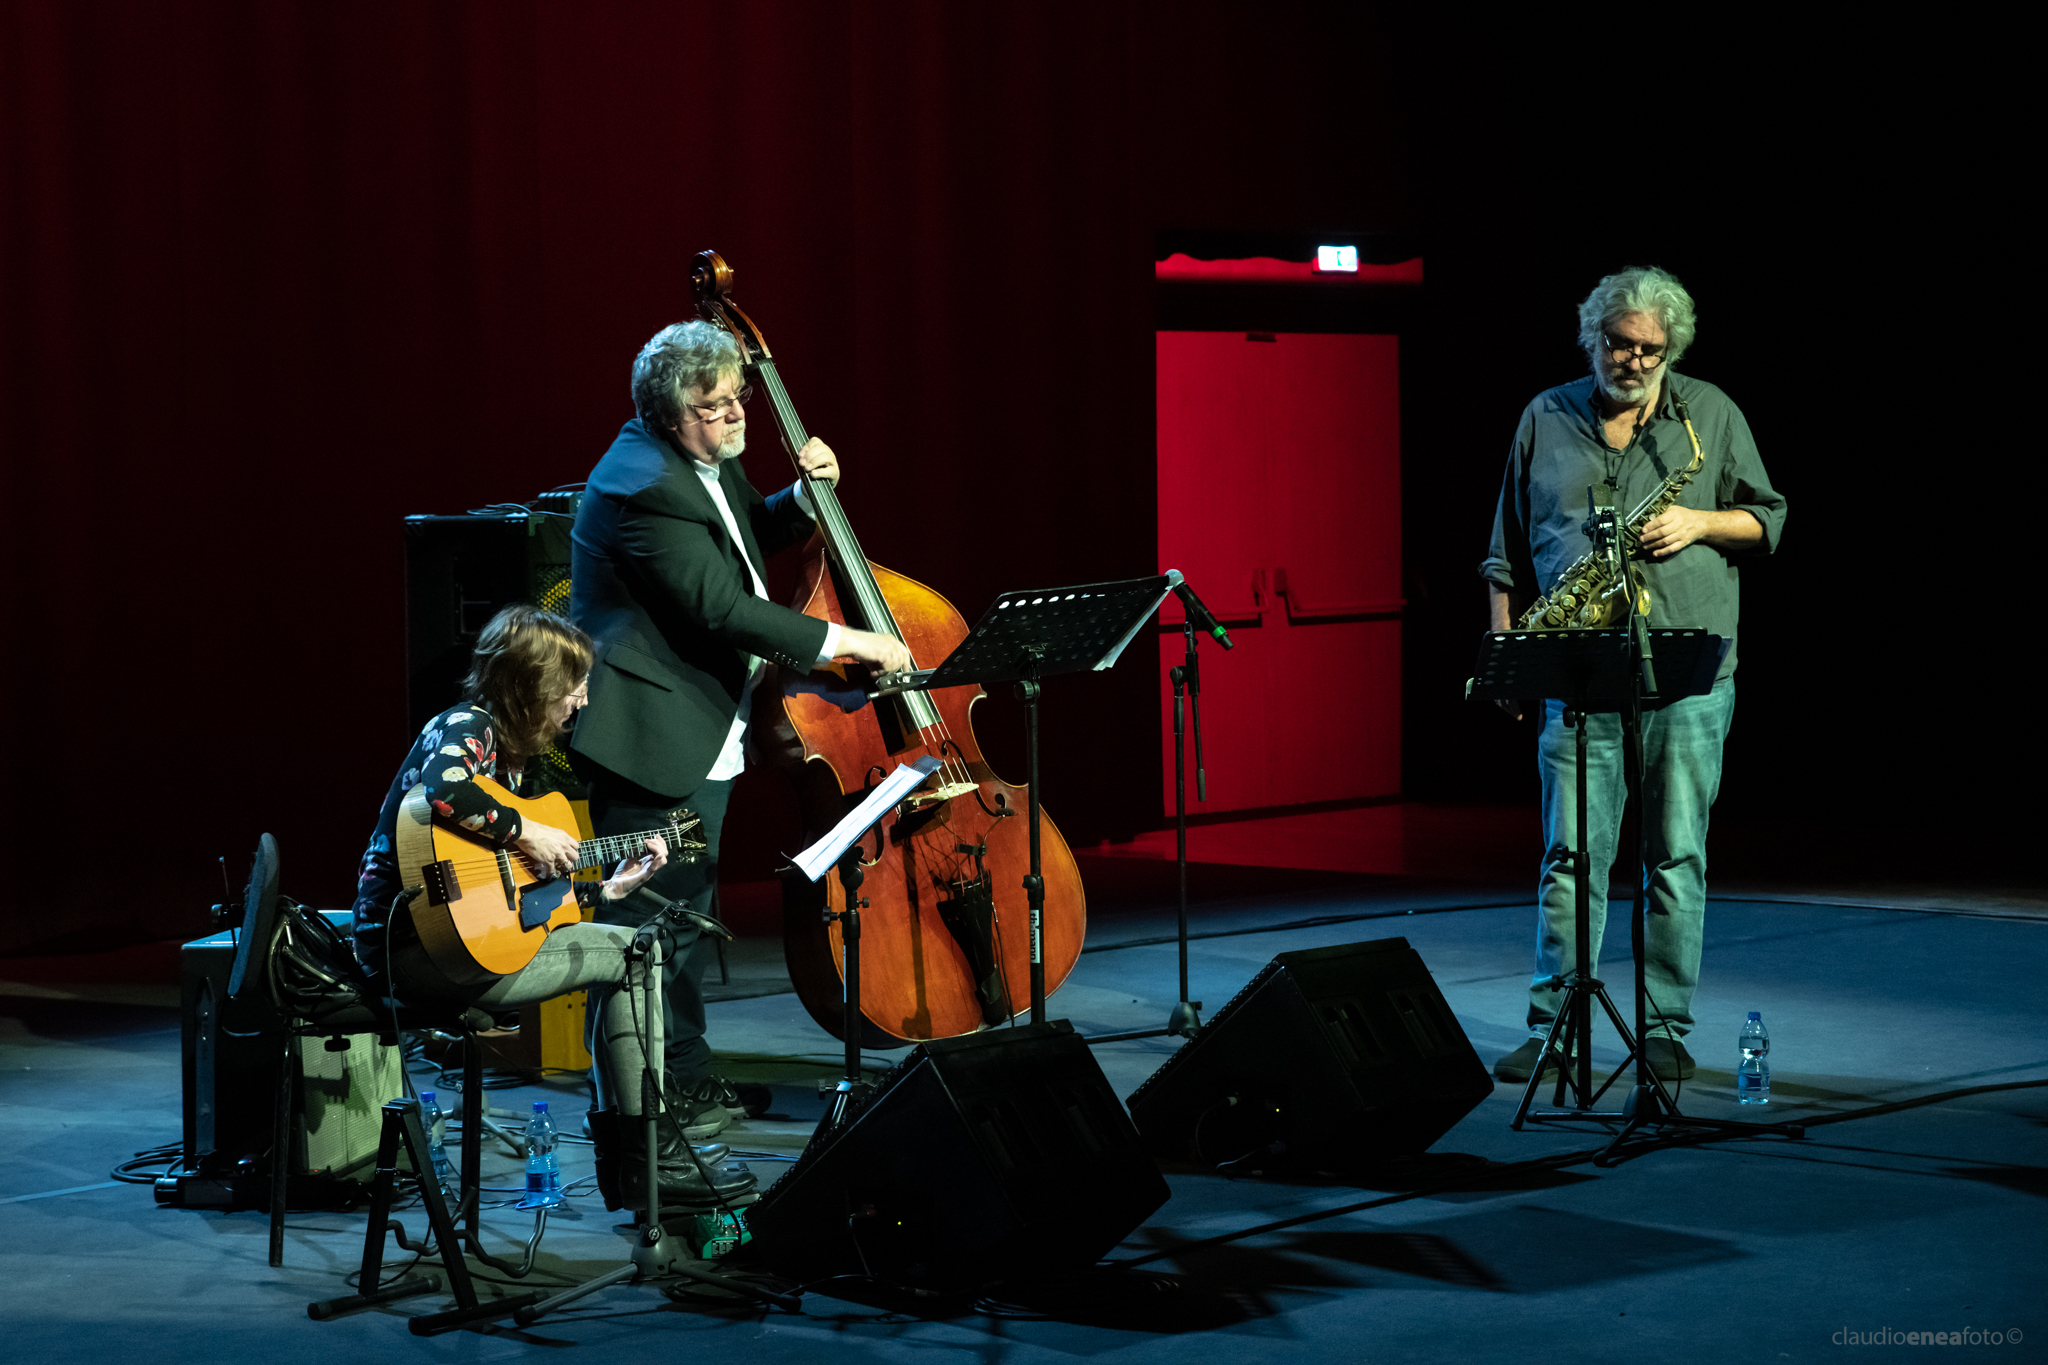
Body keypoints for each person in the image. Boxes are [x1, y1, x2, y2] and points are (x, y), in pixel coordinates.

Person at [569, 320, 913, 1138]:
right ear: (662, 411)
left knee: (682, 921)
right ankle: (638, 1114)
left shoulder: (692, 462)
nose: (732, 418)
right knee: (647, 929)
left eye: (737, 399)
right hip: (649, 730)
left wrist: (798, 500)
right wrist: (849, 641)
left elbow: (737, 548)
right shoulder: (640, 483)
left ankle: (681, 1081)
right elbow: (720, 606)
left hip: (698, 717)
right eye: (710, 406)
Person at [1481, 266, 1787, 1084]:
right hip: (1575, 678)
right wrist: (1508, 652)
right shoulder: (1544, 417)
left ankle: (1663, 1028)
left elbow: (1769, 520)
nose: (1635, 361)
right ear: (1594, 337)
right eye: (1621, 344)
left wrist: (1700, 519)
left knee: (1676, 856)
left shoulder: (1709, 414)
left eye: (1653, 349)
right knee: (1569, 857)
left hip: (1686, 681)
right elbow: (1503, 556)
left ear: (1671, 350)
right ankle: (1555, 1023)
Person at [351, 603, 755, 1208]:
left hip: (456, 944)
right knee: (635, 954)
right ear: (532, 687)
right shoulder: (468, 727)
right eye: (574, 687)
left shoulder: (512, 769)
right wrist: (523, 830)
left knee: (630, 950)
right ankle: (650, 1159)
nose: (582, 702)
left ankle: (637, 1157)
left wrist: (605, 891)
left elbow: (514, 902)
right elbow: (439, 791)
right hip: (413, 952)